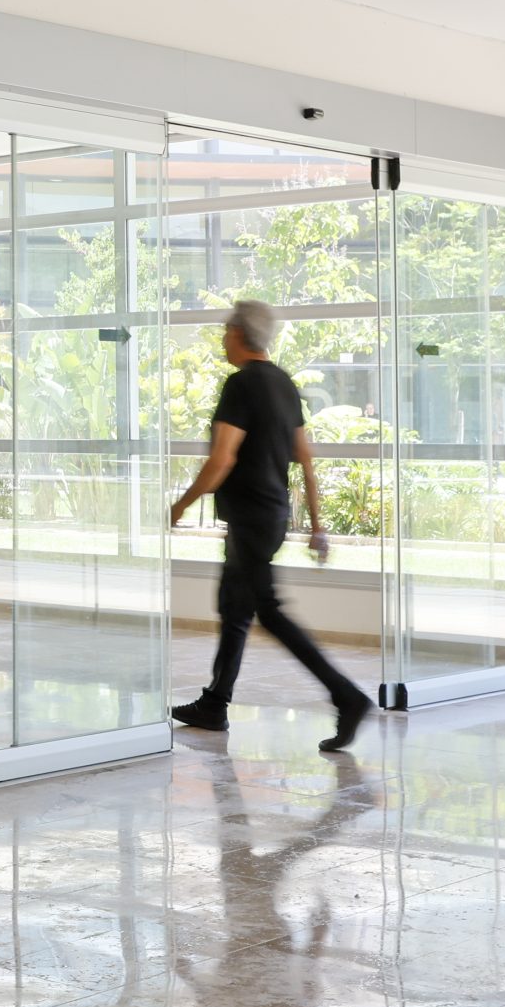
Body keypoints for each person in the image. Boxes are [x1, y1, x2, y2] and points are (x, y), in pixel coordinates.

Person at [167, 300, 372, 752]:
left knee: (269, 613)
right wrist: (317, 525)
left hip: (251, 518)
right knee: (235, 607)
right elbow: (306, 458)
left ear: (240, 334)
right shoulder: (283, 384)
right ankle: (214, 703)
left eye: (226, 331)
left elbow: (222, 459)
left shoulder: (240, 385)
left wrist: (180, 505)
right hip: (271, 516)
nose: (223, 339)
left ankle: (348, 697)